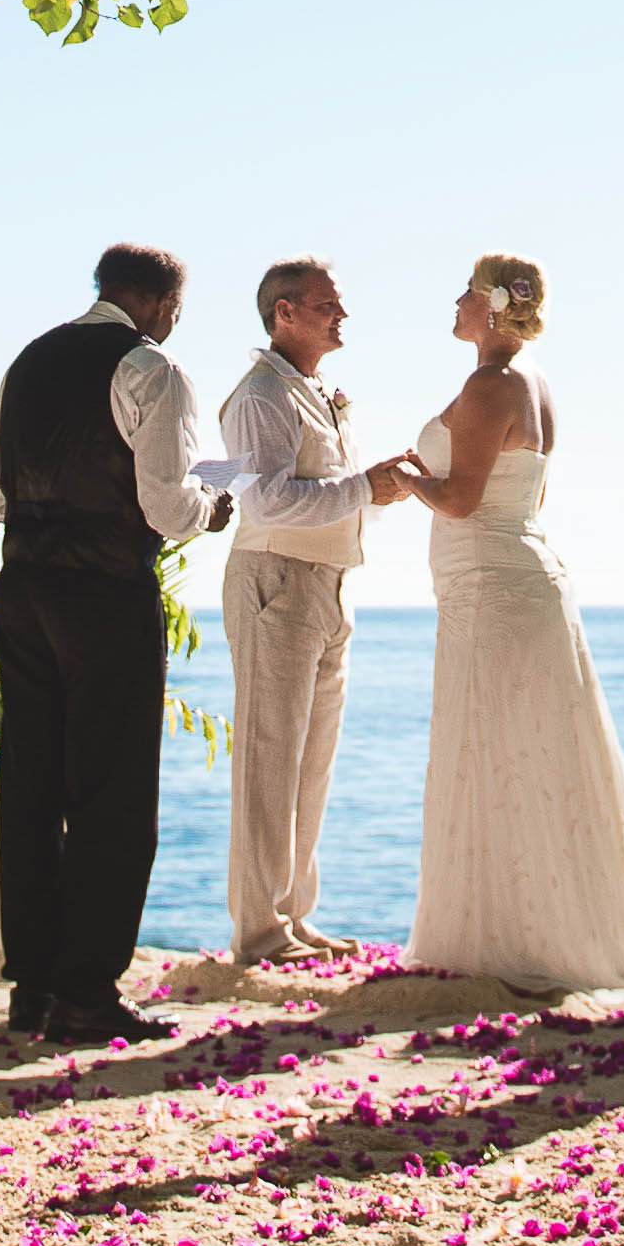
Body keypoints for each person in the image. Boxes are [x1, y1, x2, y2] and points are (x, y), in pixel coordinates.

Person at [397, 250, 624, 997]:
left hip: (490, 586)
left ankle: (505, 939)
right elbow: (518, 498)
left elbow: (458, 500)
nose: (452, 302)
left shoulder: (490, 384)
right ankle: (543, 927)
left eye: (463, 292)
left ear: (489, 306)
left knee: (491, 748)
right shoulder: (534, 383)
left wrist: (402, 479)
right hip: (513, 574)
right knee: (527, 753)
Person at [0, 240, 213, 1044]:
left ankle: (32, 986)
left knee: (32, 782)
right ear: (159, 302)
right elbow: (165, 504)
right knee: (113, 794)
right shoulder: (152, 368)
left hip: (22, 589)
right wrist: (212, 507)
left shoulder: (27, 363)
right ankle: (85, 993)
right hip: (104, 590)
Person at [218, 258, 387, 961]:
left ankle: (292, 912)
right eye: (327, 306)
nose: (340, 316)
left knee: (311, 759)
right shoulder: (260, 396)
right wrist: (367, 486)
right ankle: (258, 928)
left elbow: (331, 494)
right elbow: (269, 501)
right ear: (283, 312)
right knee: (270, 756)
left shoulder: (311, 392)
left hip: (328, 582)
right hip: (275, 581)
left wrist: (376, 491)